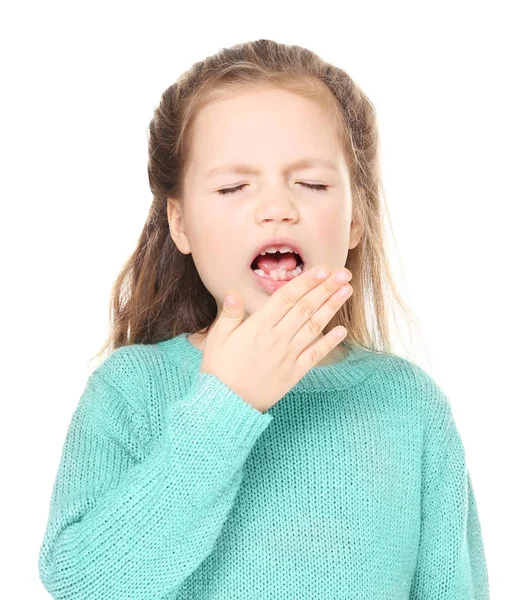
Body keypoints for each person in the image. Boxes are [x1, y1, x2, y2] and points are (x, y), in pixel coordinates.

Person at [37, 39, 490, 599]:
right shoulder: (129, 390)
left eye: (313, 184)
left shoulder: (408, 406)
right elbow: (86, 583)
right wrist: (226, 404)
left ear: (355, 219)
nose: (277, 207)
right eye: (233, 187)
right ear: (179, 223)